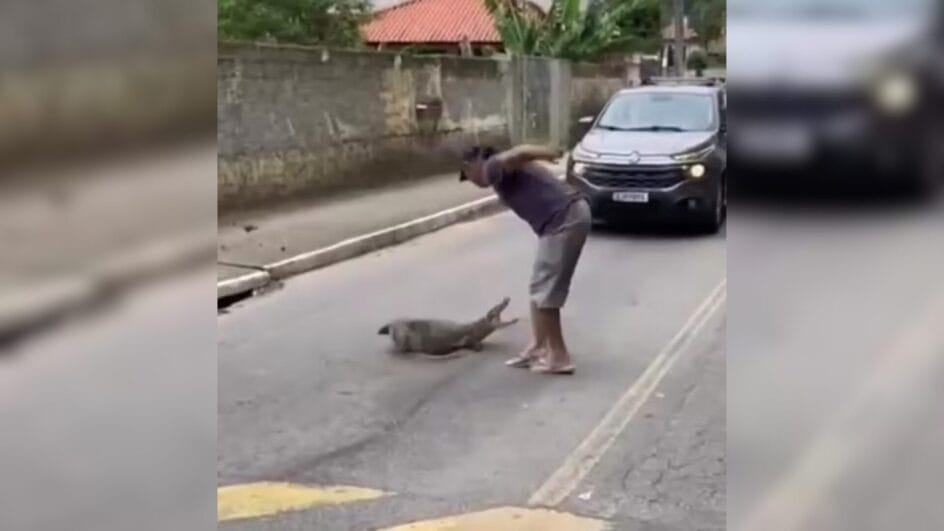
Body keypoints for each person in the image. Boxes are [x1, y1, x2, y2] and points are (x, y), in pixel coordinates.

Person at [460, 144, 592, 375]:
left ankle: (559, 357)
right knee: (538, 287)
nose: (470, 181)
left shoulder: (492, 166)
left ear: (474, 164)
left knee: (545, 293)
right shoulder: (499, 171)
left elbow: (520, 152)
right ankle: (538, 347)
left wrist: (549, 152)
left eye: (466, 175)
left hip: (564, 220)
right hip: (564, 218)